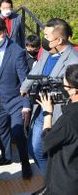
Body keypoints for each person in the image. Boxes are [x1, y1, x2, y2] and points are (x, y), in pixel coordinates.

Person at [20, 18, 78, 176]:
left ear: (59, 39)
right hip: (41, 107)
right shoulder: (47, 52)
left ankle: (54, 183)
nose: (44, 39)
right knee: (33, 149)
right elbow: (36, 70)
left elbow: (69, 92)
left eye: (47, 36)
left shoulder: (73, 60)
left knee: (41, 149)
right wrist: (25, 86)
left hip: (57, 112)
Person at [0, 17, 32, 178]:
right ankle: (6, 156)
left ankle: (24, 163)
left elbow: (25, 80)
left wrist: (26, 104)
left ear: (4, 32)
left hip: (15, 100)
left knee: (17, 132)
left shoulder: (17, 51)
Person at [34, 64, 78, 194]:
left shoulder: (68, 120)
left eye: (64, 87)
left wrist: (48, 113)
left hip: (66, 183)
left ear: (74, 90)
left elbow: (46, 142)